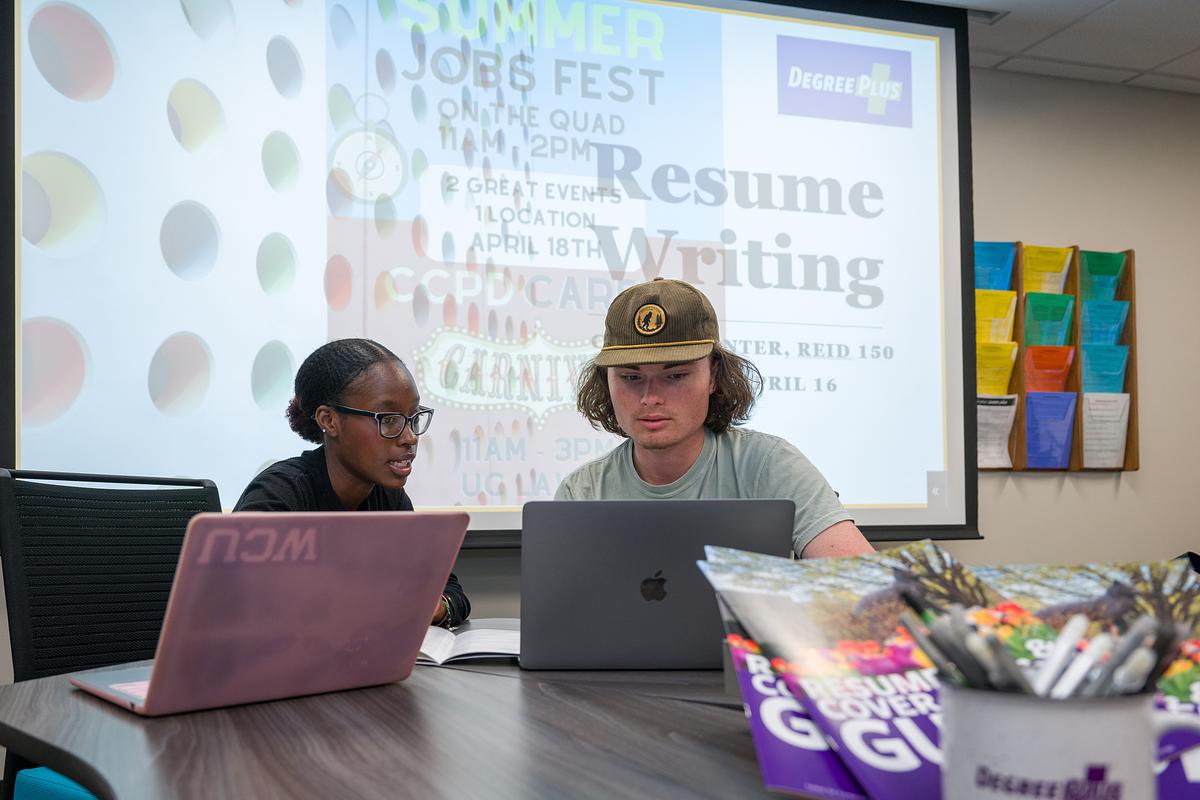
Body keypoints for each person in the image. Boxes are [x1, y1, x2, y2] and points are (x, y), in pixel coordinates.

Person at [556, 278, 874, 559]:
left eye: (676, 376)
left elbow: (872, 592)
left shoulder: (770, 466)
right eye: (630, 378)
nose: (650, 397)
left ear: (713, 376)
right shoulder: (581, 492)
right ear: (606, 382)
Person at [235, 338, 469, 626]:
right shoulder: (280, 496)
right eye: (389, 419)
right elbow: (245, 607)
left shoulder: (388, 499)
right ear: (329, 421)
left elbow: (450, 589)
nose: (409, 437)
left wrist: (437, 607)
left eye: (413, 418)